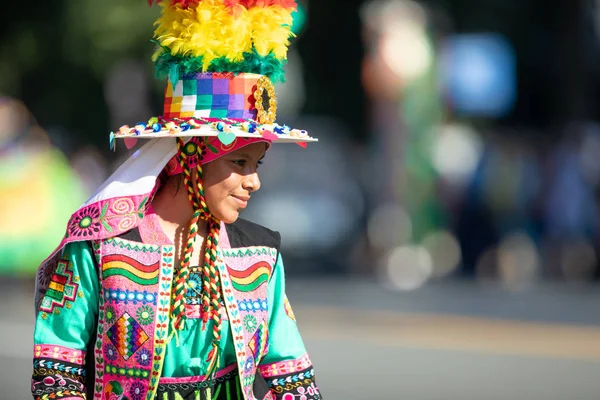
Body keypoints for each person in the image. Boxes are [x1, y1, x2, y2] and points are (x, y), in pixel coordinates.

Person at [31, 1, 321, 399]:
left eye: (257, 164)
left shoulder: (260, 255)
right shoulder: (101, 248)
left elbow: (292, 377)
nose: (252, 181)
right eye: (239, 162)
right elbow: (56, 370)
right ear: (189, 156)